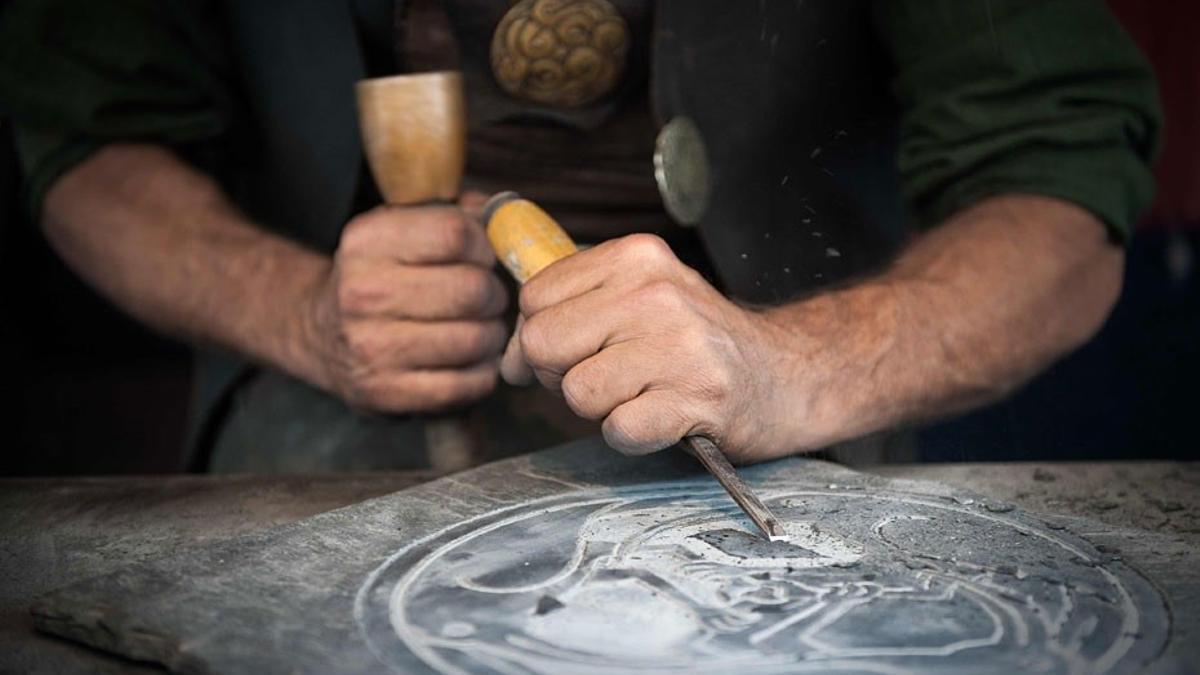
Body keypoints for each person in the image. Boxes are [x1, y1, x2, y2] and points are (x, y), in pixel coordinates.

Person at [0, 0, 1161, 471]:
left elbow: (1056, 183)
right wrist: (296, 309)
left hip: (771, 420)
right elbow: (91, 137)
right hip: (334, 409)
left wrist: (795, 365)